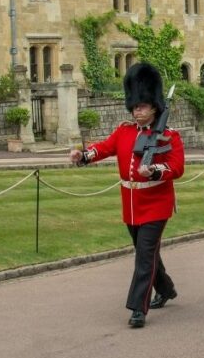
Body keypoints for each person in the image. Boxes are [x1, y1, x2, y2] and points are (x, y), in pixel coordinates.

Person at [69, 63, 185, 328]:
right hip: (131, 205)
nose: (137, 110)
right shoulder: (124, 131)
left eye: (142, 106)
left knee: (144, 256)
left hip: (156, 205)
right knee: (148, 253)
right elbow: (105, 148)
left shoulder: (169, 136)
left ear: (154, 106)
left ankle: (138, 309)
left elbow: (177, 167)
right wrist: (83, 156)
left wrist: (155, 170)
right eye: (134, 106)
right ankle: (166, 289)